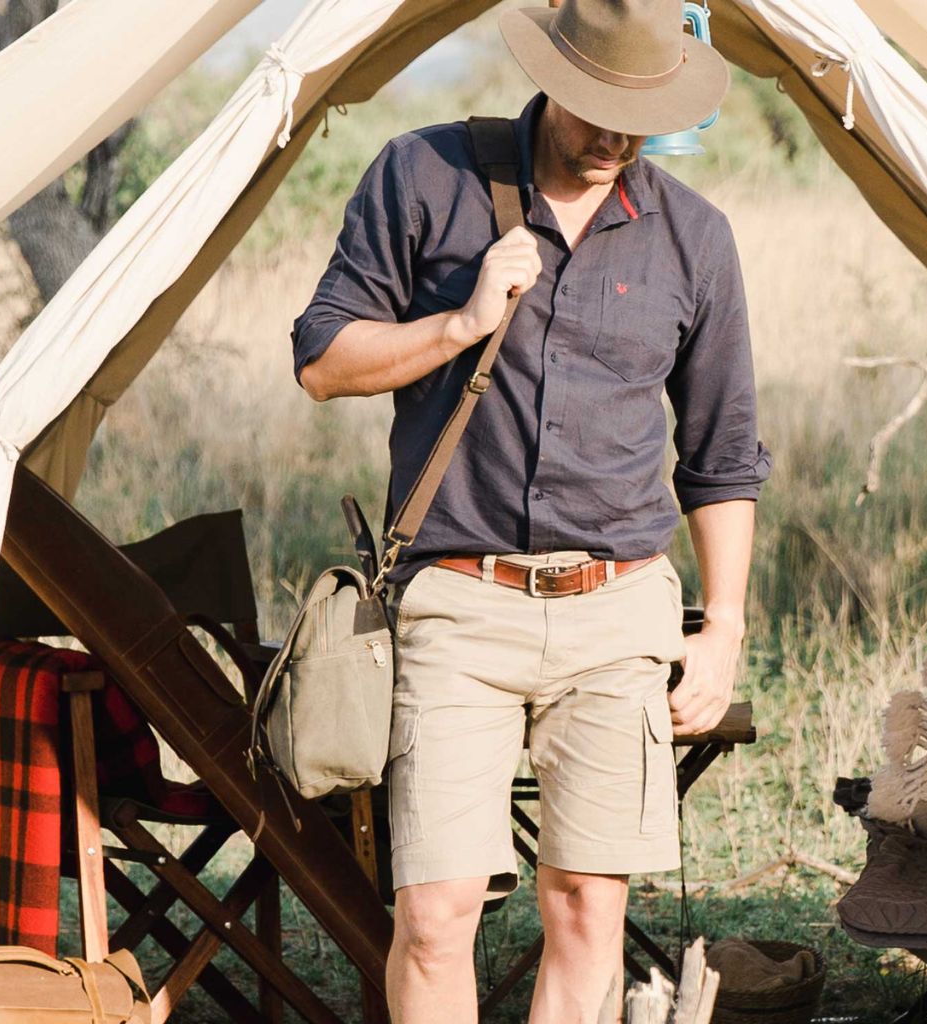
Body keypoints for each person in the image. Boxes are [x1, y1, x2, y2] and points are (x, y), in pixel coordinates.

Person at [292, 0, 771, 1019]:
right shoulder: (424, 176)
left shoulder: (695, 237)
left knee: (589, 911)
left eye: (640, 120)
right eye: (598, 109)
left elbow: (723, 455)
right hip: (458, 605)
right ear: (551, 75)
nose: (616, 140)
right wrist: (459, 322)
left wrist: (724, 625)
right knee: (435, 914)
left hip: (618, 611)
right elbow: (323, 362)